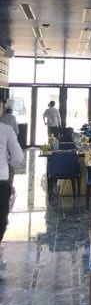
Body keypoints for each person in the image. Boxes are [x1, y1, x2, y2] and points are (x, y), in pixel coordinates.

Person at [0, 99, 24, 249]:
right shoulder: (6, 130)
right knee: (1, 217)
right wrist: (8, 162)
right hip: (1, 179)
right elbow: (18, 157)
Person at [0, 106, 20, 198]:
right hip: (10, 141)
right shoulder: (13, 118)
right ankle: (10, 186)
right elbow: (16, 129)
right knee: (10, 167)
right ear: (11, 111)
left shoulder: (3, 117)